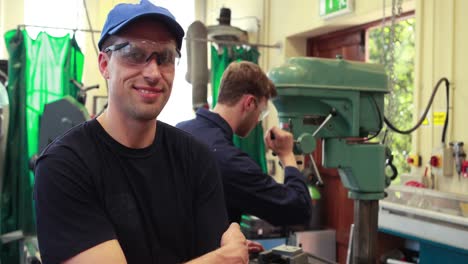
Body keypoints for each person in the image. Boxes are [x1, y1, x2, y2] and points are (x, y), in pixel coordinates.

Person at [33, 1, 253, 263]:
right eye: (133, 54)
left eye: (166, 57)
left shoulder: (196, 159)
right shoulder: (64, 167)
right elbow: (222, 258)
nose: (153, 73)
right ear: (104, 64)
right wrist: (223, 259)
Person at [176, 61, 313, 226]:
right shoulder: (229, 160)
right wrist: (287, 155)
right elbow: (298, 209)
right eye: (261, 113)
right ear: (249, 103)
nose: (257, 121)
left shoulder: (181, 130)